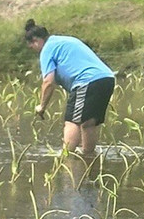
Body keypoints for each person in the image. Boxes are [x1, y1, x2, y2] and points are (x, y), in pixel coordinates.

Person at [25, 19, 116, 160]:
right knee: (88, 122)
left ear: (36, 41)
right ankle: (89, 157)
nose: (34, 51)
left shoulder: (47, 49)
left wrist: (42, 106)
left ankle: (66, 158)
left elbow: (48, 82)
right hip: (107, 79)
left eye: (32, 47)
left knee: (72, 121)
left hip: (86, 81)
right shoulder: (65, 40)